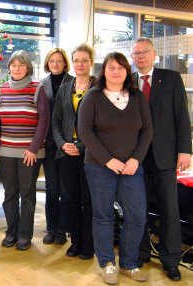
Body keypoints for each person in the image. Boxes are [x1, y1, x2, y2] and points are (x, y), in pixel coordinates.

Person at [79, 52, 153, 285]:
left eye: (121, 67)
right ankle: (107, 264)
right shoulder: (93, 96)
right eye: (112, 67)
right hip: (100, 167)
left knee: (138, 216)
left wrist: (136, 160)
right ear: (104, 71)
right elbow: (85, 131)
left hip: (131, 168)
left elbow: (148, 130)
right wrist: (107, 160)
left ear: (126, 71)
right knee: (103, 215)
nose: (117, 71)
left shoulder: (137, 97)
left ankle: (129, 263)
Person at [131, 37, 192, 281]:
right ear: (132, 57)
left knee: (169, 210)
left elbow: (181, 117)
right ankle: (141, 253)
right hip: (135, 158)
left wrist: (184, 151)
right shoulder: (127, 82)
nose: (141, 56)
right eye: (136, 53)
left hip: (165, 156)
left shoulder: (171, 78)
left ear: (154, 54)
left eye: (145, 52)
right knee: (138, 209)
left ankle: (171, 260)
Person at [0, 50, 50, 251]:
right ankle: (11, 231)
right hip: (6, 151)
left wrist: (33, 148)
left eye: (21, 65)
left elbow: (44, 120)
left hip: (29, 152)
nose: (17, 69)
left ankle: (24, 234)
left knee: (27, 194)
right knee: (9, 194)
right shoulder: (2, 89)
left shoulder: (37, 88)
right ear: (9, 67)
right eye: (13, 65)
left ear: (27, 67)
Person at [52, 43, 95, 259]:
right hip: (66, 153)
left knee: (88, 201)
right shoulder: (65, 87)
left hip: (91, 155)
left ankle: (88, 245)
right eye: (76, 60)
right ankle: (75, 242)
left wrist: (83, 146)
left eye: (84, 60)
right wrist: (62, 144)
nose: (79, 64)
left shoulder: (98, 88)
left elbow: (102, 125)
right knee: (69, 198)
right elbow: (56, 121)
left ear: (91, 63)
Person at [39, 48, 73, 245]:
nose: (55, 64)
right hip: (50, 144)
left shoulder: (73, 82)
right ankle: (51, 229)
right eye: (52, 61)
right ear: (47, 63)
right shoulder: (42, 84)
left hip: (69, 144)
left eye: (59, 61)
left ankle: (63, 230)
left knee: (67, 190)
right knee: (52, 189)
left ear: (65, 63)